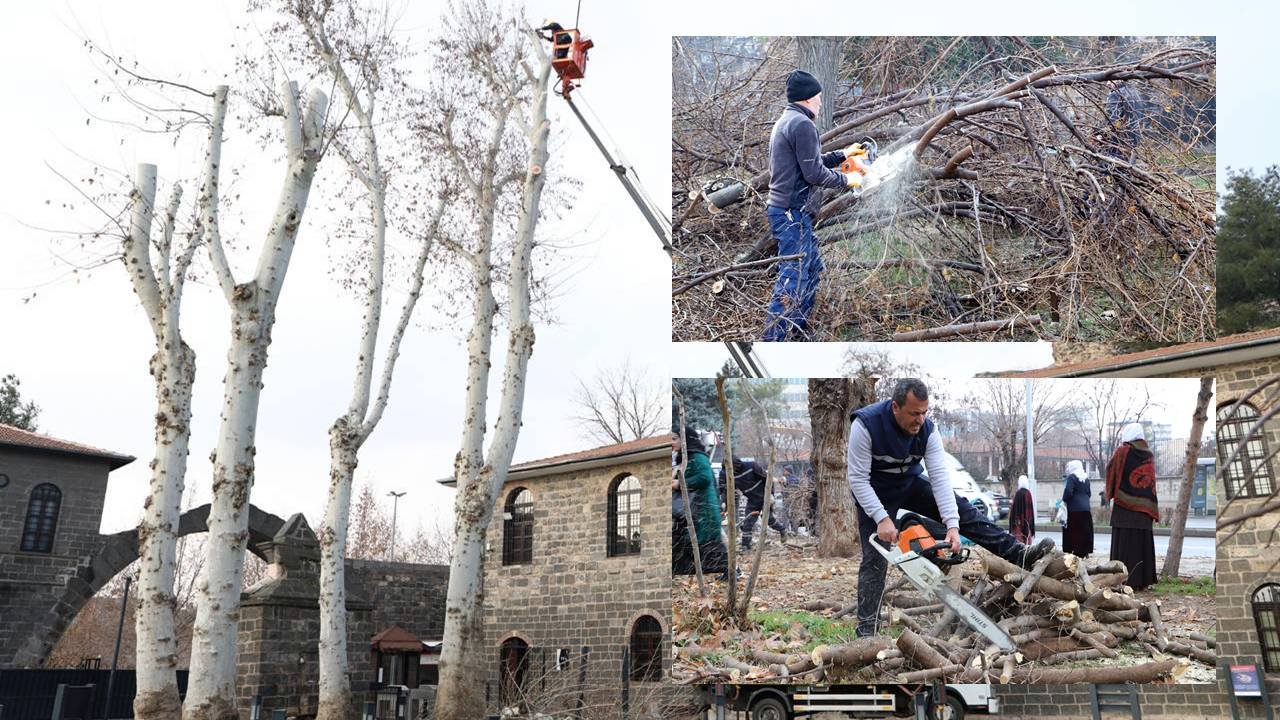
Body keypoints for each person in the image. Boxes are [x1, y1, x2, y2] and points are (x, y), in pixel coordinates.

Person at [849, 379, 1055, 637]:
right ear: (895, 408)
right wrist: (881, 518)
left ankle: (1018, 554)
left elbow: (939, 479)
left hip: (909, 482)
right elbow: (857, 479)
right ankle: (867, 629)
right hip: (874, 490)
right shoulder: (865, 425)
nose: (920, 420)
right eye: (914, 413)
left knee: (965, 511)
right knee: (874, 558)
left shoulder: (929, 431)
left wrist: (953, 526)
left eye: (924, 412)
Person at [762, 69, 862, 341]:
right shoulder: (802, 124)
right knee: (793, 279)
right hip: (791, 214)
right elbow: (814, 175)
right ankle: (775, 339)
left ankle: (797, 331)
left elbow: (811, 163)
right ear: (807, 99)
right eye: (818, 97)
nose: (820, 102)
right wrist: (847, 179)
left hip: (791, 213)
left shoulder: (789, 120)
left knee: (812, 269)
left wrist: (845, 154)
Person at [1104, 422, 1159, 590]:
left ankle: (1123, 579)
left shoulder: (1123, 452)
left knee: (1125, 543)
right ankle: (1142, 581)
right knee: (1141, 544)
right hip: (1145, 510)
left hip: (1124, 508)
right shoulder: (1148, 453)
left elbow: (1110, 469)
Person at [672, 426, 728, 578]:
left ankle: (730, 570)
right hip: (691, 508)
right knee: (684, 542)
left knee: (708, 545)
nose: (671, 443)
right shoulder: (684, 458)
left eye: (674, 439)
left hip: (702, 509)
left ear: (685, 440)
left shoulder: (697, 457)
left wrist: (679, 483)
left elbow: (704, 478)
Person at [720, 456, 788, 549]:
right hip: (752, 500)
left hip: (765, 496)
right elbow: (725, 490)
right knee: (748, 523)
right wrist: (724, 502)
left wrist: (771, 494)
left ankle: (782, 530)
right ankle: (745, 545)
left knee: (768, 519)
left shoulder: (751, 466)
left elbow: (767, 478)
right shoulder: (729, 474)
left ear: (734, 464)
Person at [1061, 460, 1095, 558]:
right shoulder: (1086, 478)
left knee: (1074, 531)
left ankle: (1074, 550)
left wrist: (1064, 500)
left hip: (1074, 509)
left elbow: (1068, 491)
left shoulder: (1072, 477)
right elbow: (1089, 493)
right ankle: (1085, 551)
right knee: (1085, 531)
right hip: (1086, 509)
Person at [1009, 475, 1036, 544]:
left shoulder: (1018, 493)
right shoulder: (1028, 493)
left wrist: (1015, 520)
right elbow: (1030, 510)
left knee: (1019, 540)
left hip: (1018, 522)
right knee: (1027, 540)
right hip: (1027, 522)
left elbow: (1014, 509)